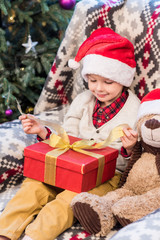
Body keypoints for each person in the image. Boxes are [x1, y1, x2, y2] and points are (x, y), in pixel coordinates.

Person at [0, 27, 140, 240]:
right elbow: (67, 139)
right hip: (69, 165)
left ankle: (35, 236)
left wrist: (130, 148)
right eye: (93, 80)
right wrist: (43, 132)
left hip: (106, 176)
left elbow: (133, 160)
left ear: (123, 79)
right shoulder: (83, 101)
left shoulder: (134, 109)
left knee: (71, 201)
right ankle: (5, 232)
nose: (99, 88)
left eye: (108, 82)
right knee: (34, 186)